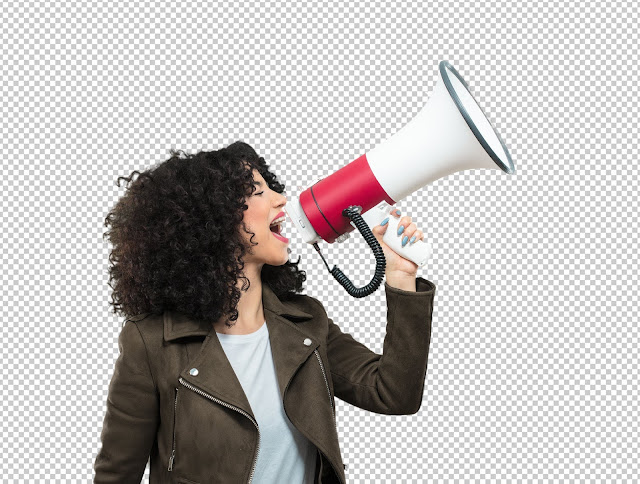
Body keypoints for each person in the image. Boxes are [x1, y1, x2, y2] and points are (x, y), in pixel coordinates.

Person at [93, 141, 436, 484]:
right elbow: (116, 475)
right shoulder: (153, 343)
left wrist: (401, 276)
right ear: (213, 217)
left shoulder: (305, 322)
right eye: (257, 191)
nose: (281, 199)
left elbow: (394, 393)